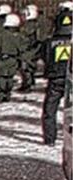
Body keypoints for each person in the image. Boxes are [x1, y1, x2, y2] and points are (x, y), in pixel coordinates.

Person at [42, 10, 71, 147]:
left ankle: (50, 138)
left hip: (55, 79)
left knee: (50, 109)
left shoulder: (50, 42)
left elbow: (45, 58)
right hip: (71, 79)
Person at [0, 14, 25, 102]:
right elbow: (22, 48)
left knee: (2, 77)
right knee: (10, 77)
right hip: (13, 59)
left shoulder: (1, 34)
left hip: (2, 58)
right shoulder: (18, 36)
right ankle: (7, 94)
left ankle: (0, 95)